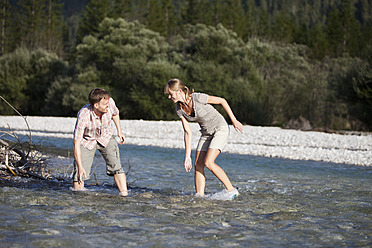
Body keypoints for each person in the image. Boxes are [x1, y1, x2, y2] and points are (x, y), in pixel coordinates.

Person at [164, 78, 243, 199]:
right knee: (198, 165)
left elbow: (222, 101)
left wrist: (234, 120)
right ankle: (199, 196)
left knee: (208, 162)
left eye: (170, 94)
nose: (169, 97)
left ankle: (232, 190)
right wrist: (187, 157)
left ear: (179, 91)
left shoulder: (197, 98)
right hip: (206, 134)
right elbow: (187, 132)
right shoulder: (179, 109)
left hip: (220, 128)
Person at [72, 88, 128, 196]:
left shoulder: (110, 102)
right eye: (105, 104)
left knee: (117, 168)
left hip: (106, 137)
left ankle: (124, 195)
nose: (108, 105)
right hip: (87, 141)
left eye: (108, 102)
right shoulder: (83, 115)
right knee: (80, 173)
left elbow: (115, 114)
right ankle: (78, 199)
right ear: (96, 105)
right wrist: (79, 167)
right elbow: (76, 143)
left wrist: (119, 131)